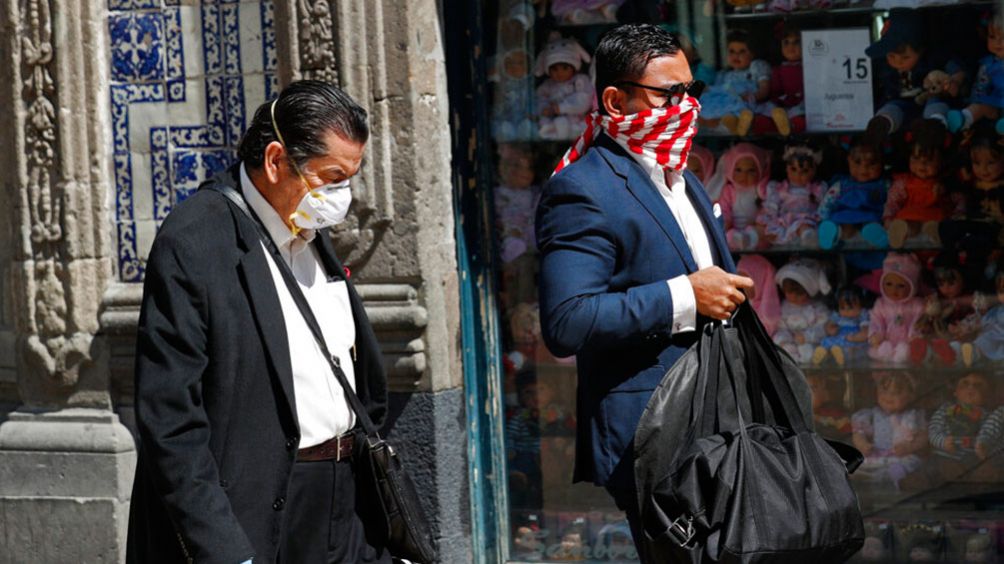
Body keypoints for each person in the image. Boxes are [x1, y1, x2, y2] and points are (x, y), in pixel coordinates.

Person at [126, 80, 391, 563]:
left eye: (349, 178)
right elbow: (170, 419)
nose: (341, 196)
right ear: (275, 161)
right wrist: (226, 551)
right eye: (331, 177)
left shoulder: (310, 231)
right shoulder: (196, 240)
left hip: (340, 510)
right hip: (256, 518)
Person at [536, 24, 754, 561]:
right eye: (669, 94)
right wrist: (685, 295)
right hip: (656, 438)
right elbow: (567, 321)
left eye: (691, 90)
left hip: (724, 421)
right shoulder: (583, 189)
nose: (687, 106)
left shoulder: (681, 176)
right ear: (616, 99)